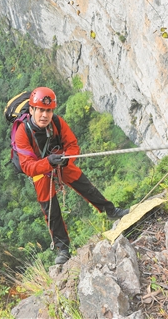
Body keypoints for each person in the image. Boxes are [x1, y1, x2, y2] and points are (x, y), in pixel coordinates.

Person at [15, 87, 129, 265]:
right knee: (50, 210)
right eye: (41, 110)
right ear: (32, 110)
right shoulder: (23, 133)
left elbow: (73, 145)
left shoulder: (57, 123)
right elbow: (27, 166)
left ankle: (111, 211)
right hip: (40, 170)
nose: (45, 115)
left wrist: (67, 160)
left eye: (49, 111)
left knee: (85, 186)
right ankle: (63, 249)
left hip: (60, 161)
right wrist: (48, 163)